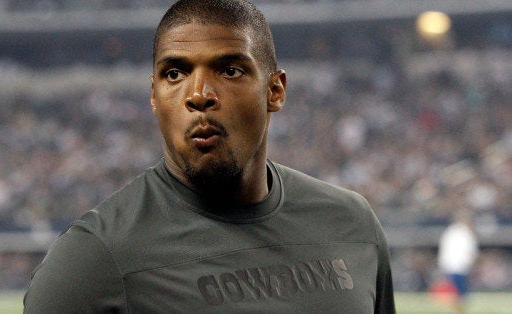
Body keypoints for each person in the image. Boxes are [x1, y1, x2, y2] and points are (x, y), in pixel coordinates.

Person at [24, 0, 395, 312]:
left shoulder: (352, 224)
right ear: (154, 96)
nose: (199, 94)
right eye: (174, 73)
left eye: (230, 70)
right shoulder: (91, 260)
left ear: (275, 90)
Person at [437, 210, 479, 314]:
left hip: (449, 265)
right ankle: (457, 311)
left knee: (454, 291)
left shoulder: (450, 231)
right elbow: (470, 251)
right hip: (460, 266)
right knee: (460, 292)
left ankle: (454, 310)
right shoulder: (465, 233)